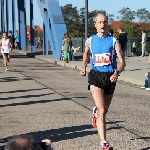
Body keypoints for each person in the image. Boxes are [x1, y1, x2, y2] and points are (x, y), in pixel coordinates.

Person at [80, 13, 125, 150]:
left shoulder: (114, 41)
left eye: (104, 22)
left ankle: (96, 113)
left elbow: (122, 62)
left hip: (110, 77)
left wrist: (117, 71)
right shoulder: (90, 41)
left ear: (107, 24)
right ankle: (104, 143)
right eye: (99, 22)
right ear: (95, 24)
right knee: (101, 108)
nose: (102, 24)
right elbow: (86, 53)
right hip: (95, 76)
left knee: (104, 110)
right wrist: (84, 67)